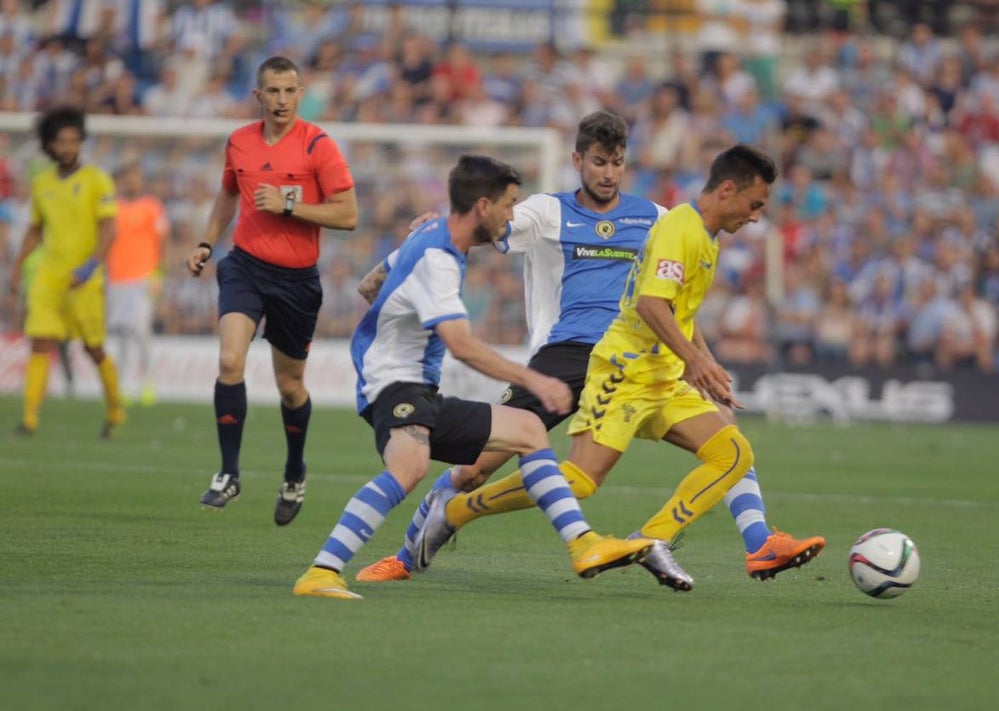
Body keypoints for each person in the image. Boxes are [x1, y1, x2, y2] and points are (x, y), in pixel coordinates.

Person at [356, 114, 824, 589]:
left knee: (725, 426)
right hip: (563, 356)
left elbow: (674, 303)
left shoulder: (657, 218)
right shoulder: (546, 212)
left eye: (617, 163)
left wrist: (698, 360)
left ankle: (758, 539)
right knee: (476, 469)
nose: (608, 173)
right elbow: (482, 221)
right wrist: (441, 222)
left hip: (640, 358)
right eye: (599, 162)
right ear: (578, 160)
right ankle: (406, 554)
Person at [292, 155, 655, 600]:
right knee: (410, 468)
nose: (512, 216)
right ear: (483, 206)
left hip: (408, 382)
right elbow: (462, 345)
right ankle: (322, 571)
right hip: (394, 383)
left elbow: (370, 285)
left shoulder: (431, 232)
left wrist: (392, 325)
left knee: (527, 429)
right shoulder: (440, 259)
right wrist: (534, 380)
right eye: (509, 205)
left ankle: (584, 545)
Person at [184, 56, 358, 525]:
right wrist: (206, 242)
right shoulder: (238, 141)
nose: (282, 100)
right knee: (229, 362)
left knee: (290, 386)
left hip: (297, 281)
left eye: (290, 91)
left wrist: (288, 205)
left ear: (300, 94)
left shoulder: (319, 146)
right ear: (258, 96)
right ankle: (228, 473)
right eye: (273, 92)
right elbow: (227, 193)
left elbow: (348, 215)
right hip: (244, 266)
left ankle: (295, 470)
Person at [8, 106, 124, 438]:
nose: (69, 148)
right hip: (50, 274)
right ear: (50, 144)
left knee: (93, 348)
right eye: (62, 141)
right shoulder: (41, 182)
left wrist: (92, 264)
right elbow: (36, 229)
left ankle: (115, 409)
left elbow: (108, 228)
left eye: (74, 141)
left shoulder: (96, 179)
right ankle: (29, 419)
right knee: (39, 343)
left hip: (85, 277)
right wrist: (17, 267)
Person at [107, 161, 169, 406]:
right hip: (117, 278)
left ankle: (148, 383)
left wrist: (159, 273)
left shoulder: (152, 208)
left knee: (141, 332)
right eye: (128, 177)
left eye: (136, 177)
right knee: (121, 333)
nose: (132, 182)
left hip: (143, 277)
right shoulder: (113, 209)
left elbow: (162, 242)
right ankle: (123, 384)